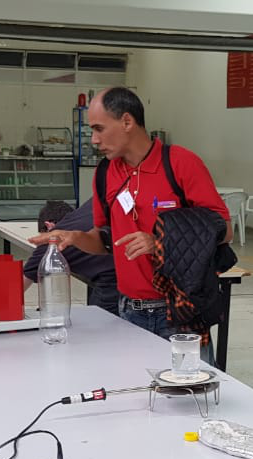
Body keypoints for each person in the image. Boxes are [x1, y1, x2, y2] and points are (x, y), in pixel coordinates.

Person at [28, 87, 230, 342]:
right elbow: (105, 242)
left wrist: (160, 242)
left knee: (185, 383)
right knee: (131, 383)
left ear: (127, 121)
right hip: (127, 311)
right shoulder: (105, 173)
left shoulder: (181, 164)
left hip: (179, 312)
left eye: (99, 129)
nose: (93, 140)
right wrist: (75, 236)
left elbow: (223, 230)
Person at [22, 200, 119, 315]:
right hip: (133, 263)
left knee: (100, 321)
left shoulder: (56, 238)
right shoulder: (82, 213)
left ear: (49, 226)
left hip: (112, 279)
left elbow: (17, 287)